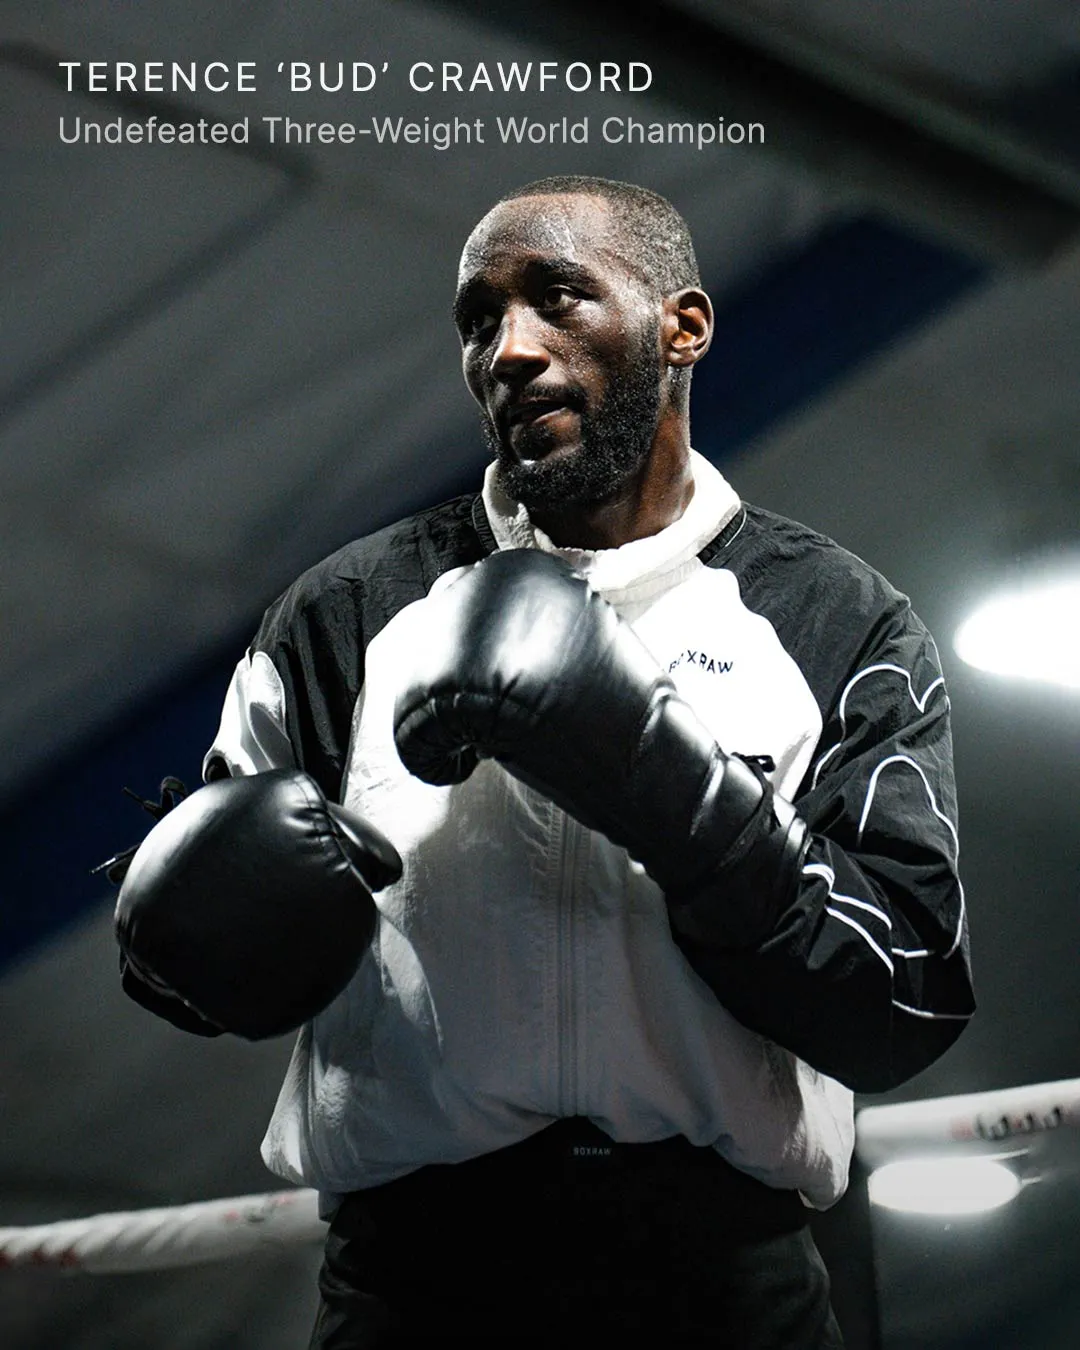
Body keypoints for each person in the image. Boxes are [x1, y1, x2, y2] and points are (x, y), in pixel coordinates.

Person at [115, 177, 974, 1346]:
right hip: (413, 1286)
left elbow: (908, 990)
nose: (508, 350)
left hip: (724, 1284)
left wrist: (662, 784)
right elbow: (183, 961)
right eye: (478, 320)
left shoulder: (839, 621)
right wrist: (195, 922)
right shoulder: (349, 613)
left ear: (684, 327)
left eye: (558, 298)